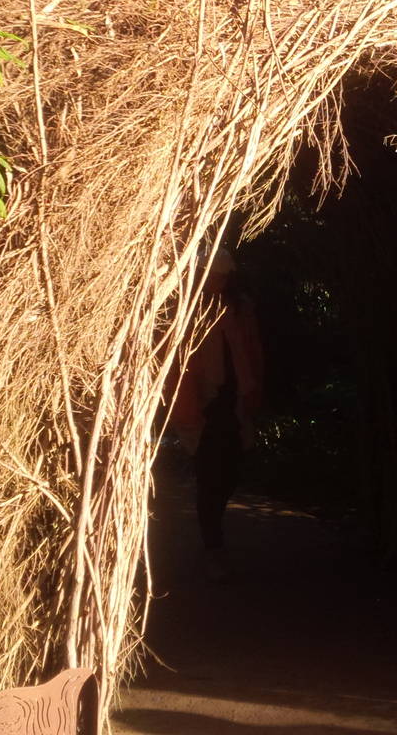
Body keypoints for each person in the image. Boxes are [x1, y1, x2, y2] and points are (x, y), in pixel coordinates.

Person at [169, 247, 263, 579]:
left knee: (231, 472)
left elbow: (251, 349)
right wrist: (187, 404)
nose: (217, 281)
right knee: (209, 476)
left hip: (234, 400)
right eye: (212, 275)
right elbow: (178, 361)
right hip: (204, 402)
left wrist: (253, 391)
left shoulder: (240, 308)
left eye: (222, 276)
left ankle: (214, 540)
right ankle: (213, 548)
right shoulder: (187, 309)